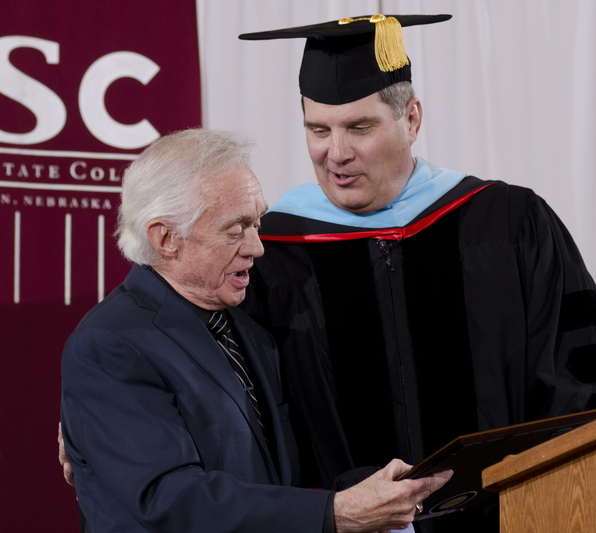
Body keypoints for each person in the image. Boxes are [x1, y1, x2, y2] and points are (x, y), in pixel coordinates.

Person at [239, 14, 596, 531]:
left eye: (360, 127)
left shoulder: (507, 223)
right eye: (319, 129)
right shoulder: (273, 252)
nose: (335, 153)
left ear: (411, 119)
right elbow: (262, 425)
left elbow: (579, 388)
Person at [59, 128, 450, 533]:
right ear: (166, 239)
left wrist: (368, 494)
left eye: (256, 223)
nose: (256, 247)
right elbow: (170, 499)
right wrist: (335, 513)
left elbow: (271, 478)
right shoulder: (108, 345)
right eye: (235, 229)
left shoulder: (248, 326)